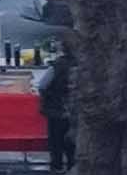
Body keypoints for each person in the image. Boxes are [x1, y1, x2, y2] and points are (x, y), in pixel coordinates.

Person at [41, 44, 78, 173]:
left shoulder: (57, 65)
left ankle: (57, 167)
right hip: (76, 110)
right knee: (72, 142)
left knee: (56, 141)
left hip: (57, 109)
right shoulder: (84, 65)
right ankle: (72, 166)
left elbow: (42, 85)